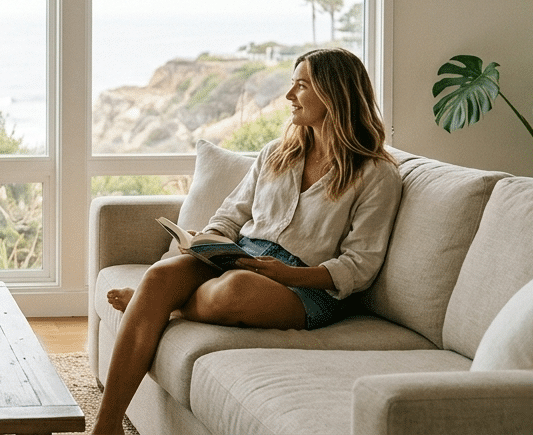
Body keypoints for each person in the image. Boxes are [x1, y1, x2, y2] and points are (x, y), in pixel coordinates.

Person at [91, 47, 402, 435]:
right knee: (158, 277)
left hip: (306, 287)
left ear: (334, 94)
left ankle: (155, 306)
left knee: (233, 289)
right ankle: (105, 426)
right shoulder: (276, 154)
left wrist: (290, 275)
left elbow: (361, 265)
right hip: (241, 256)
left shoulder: (376, 174)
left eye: (301, 86)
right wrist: (208, 241)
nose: (289, 96)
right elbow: (231, 214)